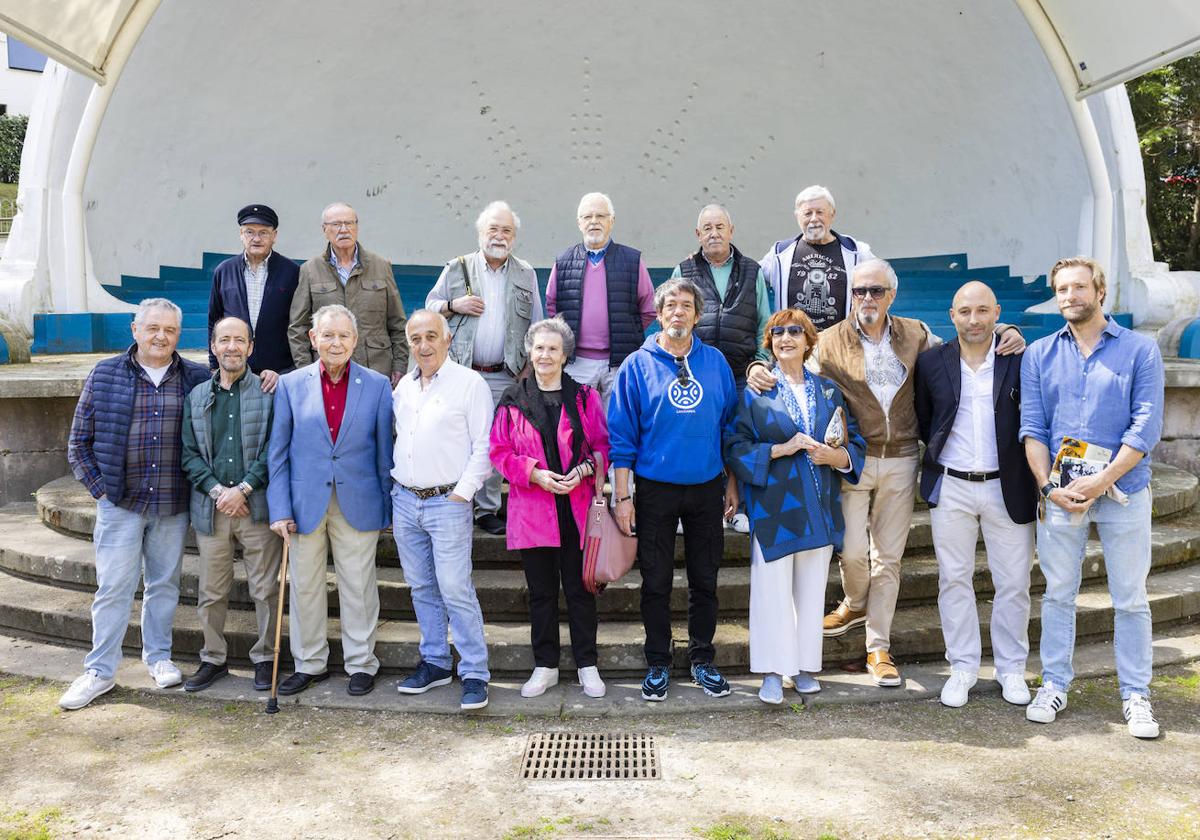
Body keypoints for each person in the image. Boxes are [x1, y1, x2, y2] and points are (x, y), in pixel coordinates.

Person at [1020, 257, 1165, 739]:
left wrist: (1100, 481)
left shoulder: (1140, 350)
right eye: (1061, 289)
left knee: (1130, 597)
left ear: (1099, 291)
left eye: (1078, 287)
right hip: (1060, 494)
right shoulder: (1039, 353)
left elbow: (1145, 425)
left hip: (1124, 491)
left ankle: (1136, 695)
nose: (1069, 296)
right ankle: (1055, 683)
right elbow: (1033, 427)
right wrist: (1048, 487)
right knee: (1059, 593)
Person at [58, 299, 210, 710]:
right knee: (113, 588)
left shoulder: (196, 376)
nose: (161, 336)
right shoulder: (105, 373)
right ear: (135, 329)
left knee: (164, 586)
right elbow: (78, 443)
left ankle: (158, 658)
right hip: (120, 503)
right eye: (153, 328)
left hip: (172, 503)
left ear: (179, 335)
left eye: (170, 330)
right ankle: (100, 671)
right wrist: (101, 490)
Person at [608, 278, 739, 702]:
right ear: (659, 314)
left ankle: (702, 659)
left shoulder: (715, 362)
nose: (678, 312)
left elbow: (729, 429)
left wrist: (731, 481)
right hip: (654, 489)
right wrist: (623, 497)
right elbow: (622, 438)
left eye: (686, 306)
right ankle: (658, 663)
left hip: (705, 487)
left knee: (705, 579)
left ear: (698, 315)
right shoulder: (636, 365)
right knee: (656, 581)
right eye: (670, 306)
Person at [726, 309, 865, 704]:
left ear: (808, 341)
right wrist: (778, 449)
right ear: (768, 341)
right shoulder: (755, 393)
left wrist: (836, 458)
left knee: (811, 589)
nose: (786, 338)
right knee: (771, 592)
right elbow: (734, 445)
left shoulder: (828, 390)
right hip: (775, 505)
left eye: (795, 332)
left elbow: (852, 439)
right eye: (778, 332)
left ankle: (803, 666)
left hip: (819, 501)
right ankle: (771, 671)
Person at [915, 282, 1037, 709]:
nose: (974, 320)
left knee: (1014, 583)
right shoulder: (931, 363)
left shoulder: (1020, 359)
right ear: (952, 315)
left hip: (1009, 486)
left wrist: (1015, 331)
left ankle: (1011, 669)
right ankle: (963, 666)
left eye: (983, 311)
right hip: (951, 485)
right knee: (953, 580)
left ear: (997, 313)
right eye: (965, 311)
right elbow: (926, 421)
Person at [267, 304, 394, 698]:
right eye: (328, 335)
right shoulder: (291, 385)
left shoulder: (376, 385)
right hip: (305, 502)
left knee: (358, 585)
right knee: (304, 585)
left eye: (343, 336)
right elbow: (278, 452)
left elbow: (384, 452)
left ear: (355, 341)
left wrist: (387, 506)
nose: (335, 342)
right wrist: (280, 508)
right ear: (313, 338)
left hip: (359, 499)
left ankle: (360, 663)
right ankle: (309, 663)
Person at [489, 318, 610, 699]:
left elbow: (603, 445)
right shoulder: (512, 400)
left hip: (576, 508)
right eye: (539, 348)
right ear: (529, 350)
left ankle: (587, 664)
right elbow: (499, 452)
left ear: (565, 355)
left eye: (553, 349)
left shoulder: (585, 397)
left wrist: (586, 470)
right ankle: (546, 666)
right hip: (534, 510)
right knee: (541, 593)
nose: (545, 355)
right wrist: (534, 474)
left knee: (581, 590)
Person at [391, 310, 494, 710]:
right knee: (421, 587)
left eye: (431, 336)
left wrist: (462, 494)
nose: (423, 345)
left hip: (448, 501)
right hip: (405, 500)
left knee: (454, 587)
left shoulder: (470, 384)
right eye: (415, 339)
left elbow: (484, 446)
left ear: (448, 339)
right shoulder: (404, 388)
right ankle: (435, 662)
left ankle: (474, 671)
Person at [426, 200, 543, 536]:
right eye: (493, 228)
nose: (499, 235)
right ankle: (453, 502)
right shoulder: (457, 268)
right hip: (461, 372)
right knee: (456, 438)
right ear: (480, 233)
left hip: (503, 375)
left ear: (515, 236)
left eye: (506, 230)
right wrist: (452, 305)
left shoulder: (526, 273)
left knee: (493, 442)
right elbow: (430, 307)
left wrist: (528, 370)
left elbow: (536, 325)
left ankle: (486, 509)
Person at [179, 316, 282, 692]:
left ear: (251, 347)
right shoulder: (197, 397)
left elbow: (275, 447)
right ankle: (213, 659)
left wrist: (245, 488)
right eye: (225, 340)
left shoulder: (270, 392)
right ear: (213, 346)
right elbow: (189, 454)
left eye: (240, 340)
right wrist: (219, 492)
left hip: (257, 508)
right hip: (213, 509)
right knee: (211, 591)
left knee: (265, 590)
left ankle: (265, 657)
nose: (232, 347)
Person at [545, 192, 656, 405]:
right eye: (587, 217)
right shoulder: (563, 261)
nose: (594, 221)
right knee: (578, 428)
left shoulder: (632, 260)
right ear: (579, 223)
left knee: (616, 427)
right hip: (576, 362)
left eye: (601, 216)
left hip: (619, 363)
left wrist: (626, 331)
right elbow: (552, 304)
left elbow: (649, 308)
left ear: (611, 221)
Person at [288, 202, 408, 384]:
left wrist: (399, 366)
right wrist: (307, 370)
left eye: (349, 223)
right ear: (324, 230)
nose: (344, 229)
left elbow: (397, 323)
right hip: (328, 371)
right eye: (336, 224)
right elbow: (298, 327)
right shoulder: (310, 270)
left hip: (375, 369)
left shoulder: (381, 266)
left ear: (356, 227)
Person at [669, 204, 771, 390]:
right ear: (698, 234)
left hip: (744, 377)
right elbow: (669, 322)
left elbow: (764, 324)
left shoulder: (752, 271)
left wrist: (759, 363)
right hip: (696, 374)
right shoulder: (683, 271)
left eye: (720, 227)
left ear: (731, 231)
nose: (714, 233)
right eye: (707, 228)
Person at [206, 203, 300, 393]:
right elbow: (214, 321)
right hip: (235, 370)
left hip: (279, 372)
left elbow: (299, 321)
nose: (256, 238)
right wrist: (214, 364)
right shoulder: (224, 271)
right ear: (241, 234)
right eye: (249, 232)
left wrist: (292, 369)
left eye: (264, 232)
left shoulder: (291, 271)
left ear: (274, 235)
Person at [759, 185, 875, 331]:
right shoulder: (780, 254)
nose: (814, 219)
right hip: (795, 348)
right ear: (797, 216)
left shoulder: (857, 252)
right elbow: (752, 278)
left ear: (832, 214)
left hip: (841, 348)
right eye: (807, 213)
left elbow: (887, 283)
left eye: (820, 212)